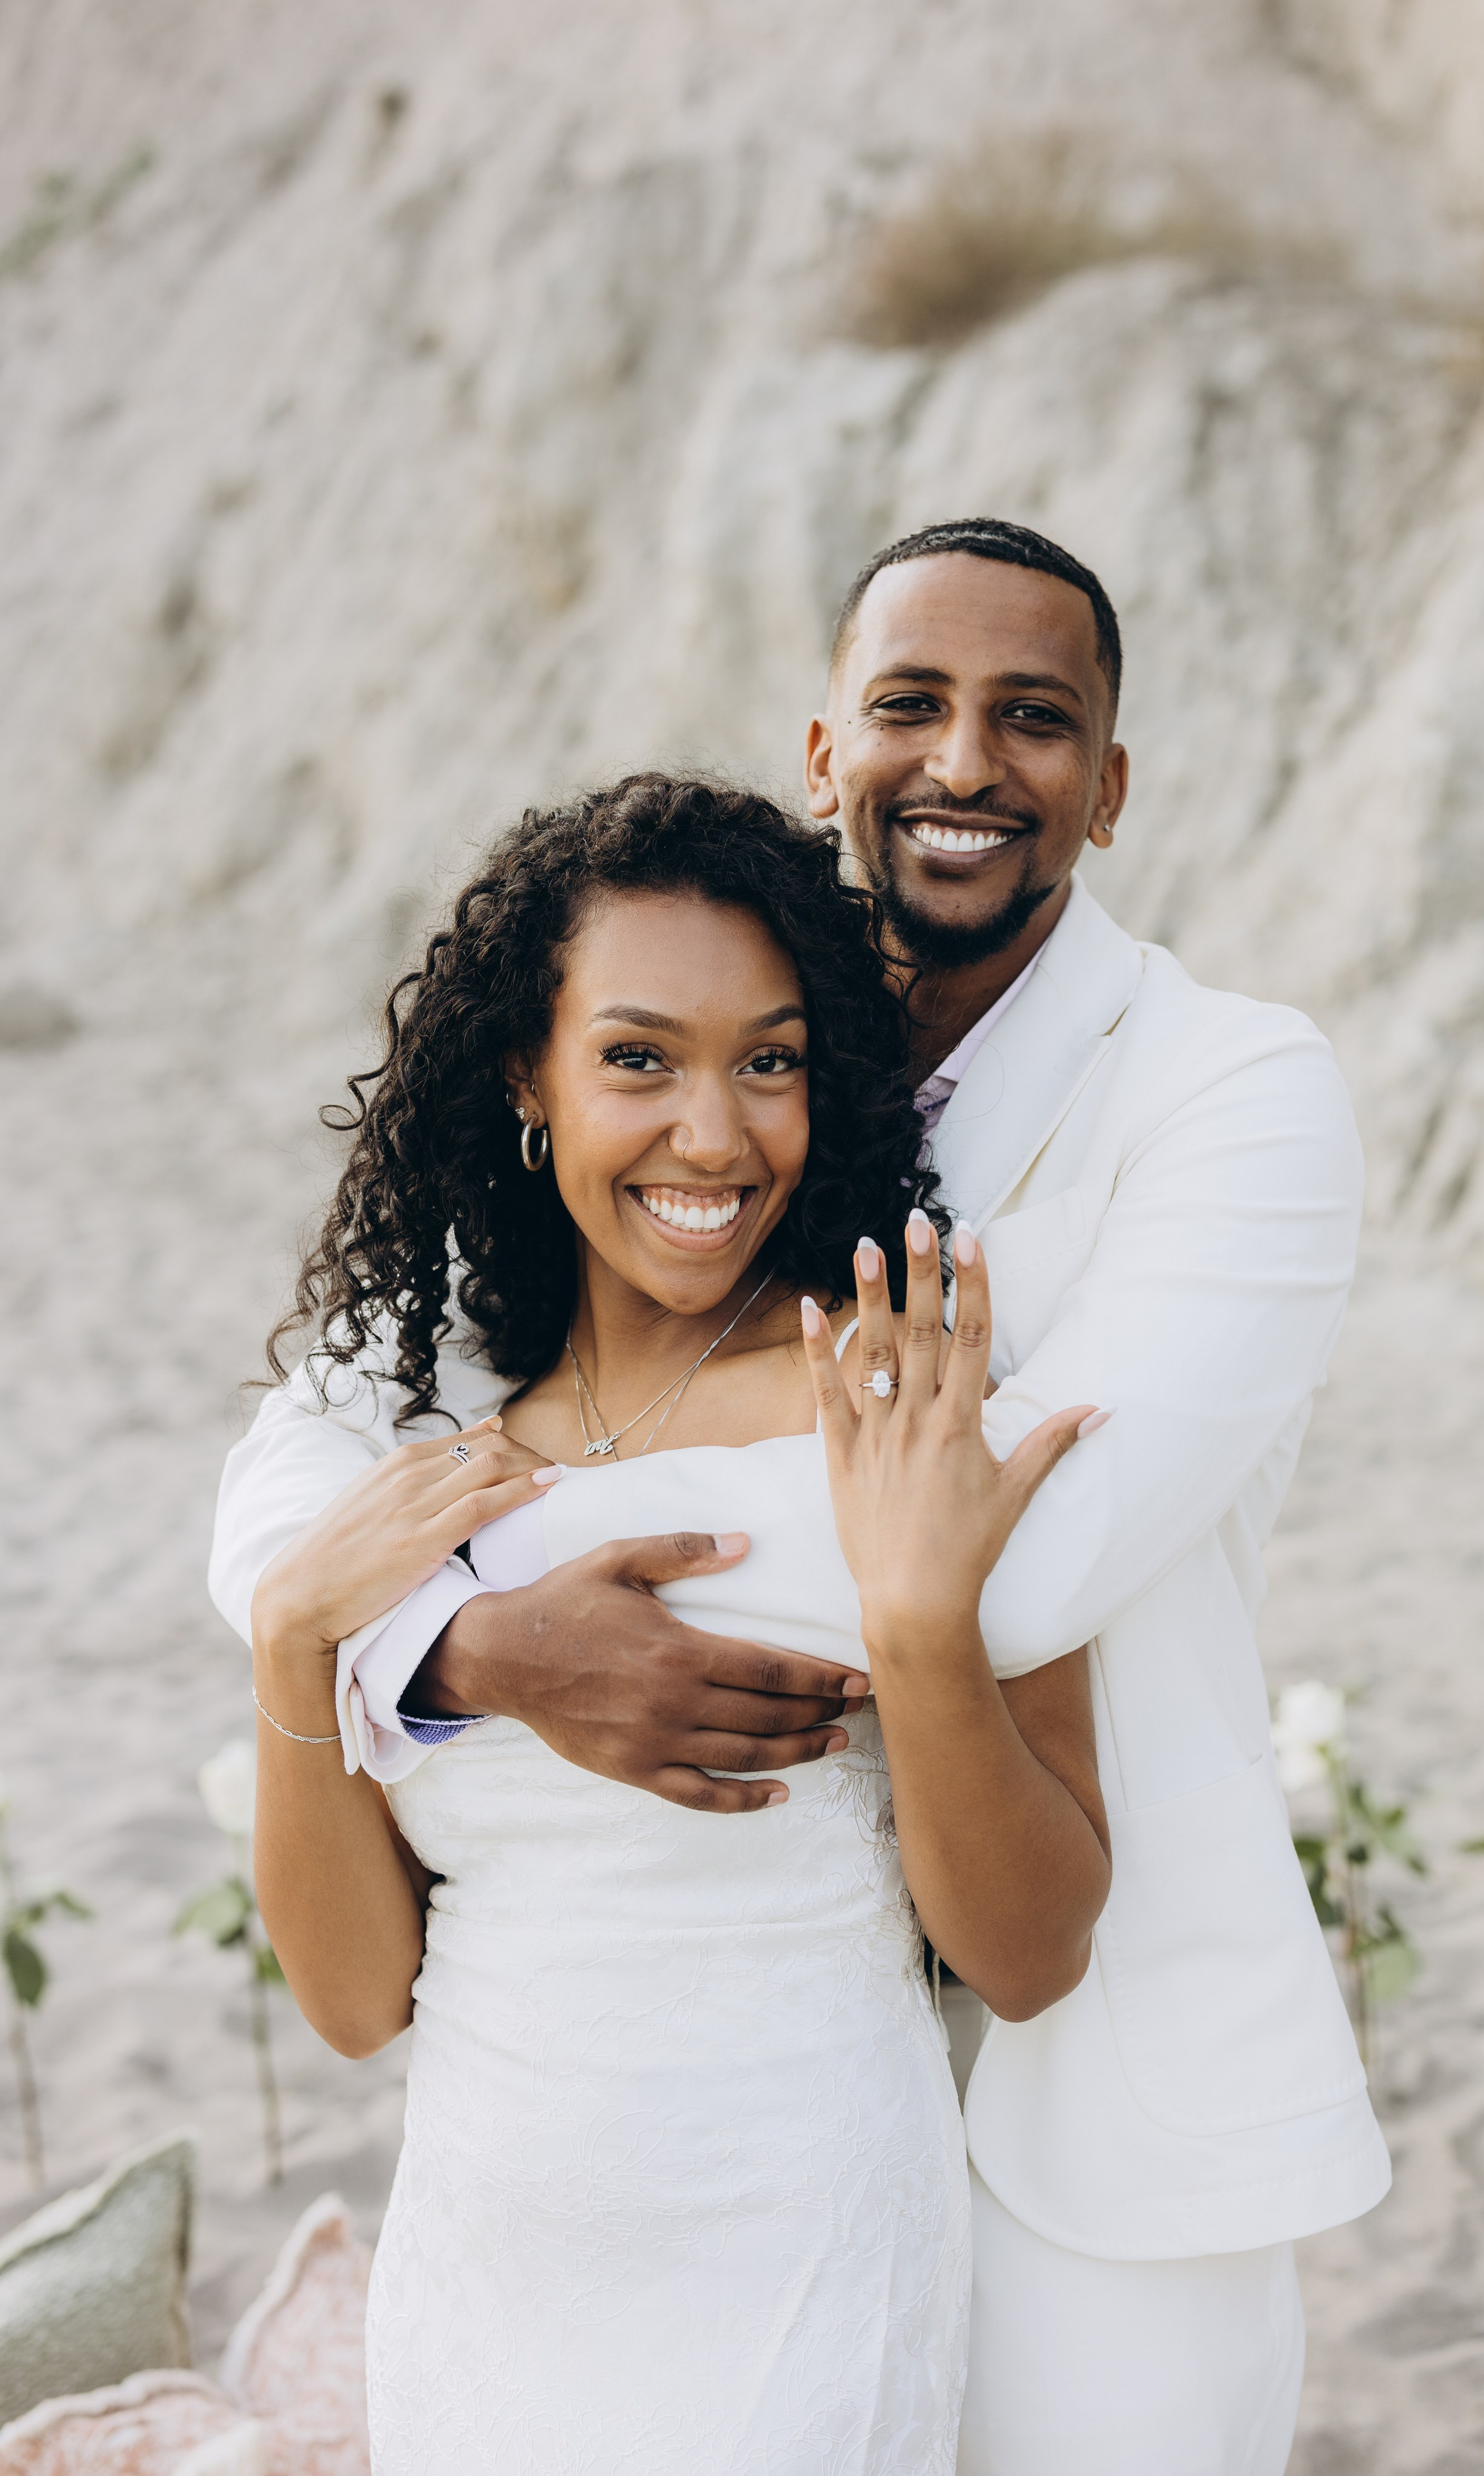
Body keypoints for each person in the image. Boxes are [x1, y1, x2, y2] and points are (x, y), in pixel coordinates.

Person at [212, 517, 1391, 2472]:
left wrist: (477, 1613)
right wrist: (450, 1641)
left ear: (1110, 784)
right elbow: (287, 1478)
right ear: (828, 747)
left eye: (1035, 720)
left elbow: (1026, 1548)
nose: (964, 765)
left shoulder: (1227, 1090)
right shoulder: (489, 1347)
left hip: (1063, 2096)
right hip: (521, 2248)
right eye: (912, 705)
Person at [242, 776, 1111, 2474]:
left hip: (805, 2259)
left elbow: (1031, 1954)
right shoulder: (420, 1468)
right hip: (486, 2278)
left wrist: (923, 1628)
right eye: (639, 1059)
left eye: (769, 1062)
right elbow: (355, 2004)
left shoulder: (903, 1405)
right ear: (528, 1077)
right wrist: (295, 1648)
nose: (713, 1136)